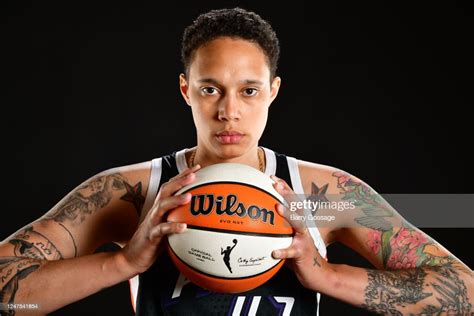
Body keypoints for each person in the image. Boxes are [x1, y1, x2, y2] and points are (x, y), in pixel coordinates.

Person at [0, 7, 472, 316]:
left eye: (249, 91)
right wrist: (121, 263)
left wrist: (326, 276)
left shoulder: (317, 200)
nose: (229, 110)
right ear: (186, 90)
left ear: (273, 91)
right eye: (211, 89)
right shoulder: (135, 193)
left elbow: (463, 290)